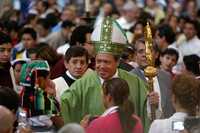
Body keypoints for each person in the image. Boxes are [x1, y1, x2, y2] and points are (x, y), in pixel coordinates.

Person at [61, 17, 152, 133]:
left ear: (118, 62)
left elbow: (147, 110)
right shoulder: (83, 84)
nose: (101, 66)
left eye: (106, 62)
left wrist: (152, 102)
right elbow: (65, 103)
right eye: (98, 61)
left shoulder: (135, 82)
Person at [131, 38, 174, 119]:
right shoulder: (129, 78)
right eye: (141, 51)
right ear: (135, 55)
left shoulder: (166, 77)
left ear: (157, 54)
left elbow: (172, 108)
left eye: (149, 51)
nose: (145, 55)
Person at [20, 60, 60, 132]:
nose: (49, 80)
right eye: (48, 77)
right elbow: (59, 122)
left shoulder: (22, 95)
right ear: (40, 80)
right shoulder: (43, 99)